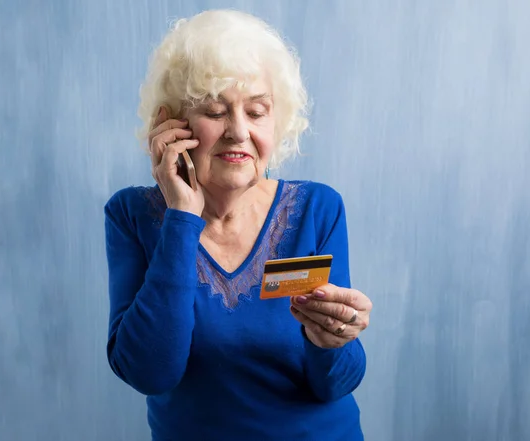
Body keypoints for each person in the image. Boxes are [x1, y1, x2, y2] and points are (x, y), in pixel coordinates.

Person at [104, 9, 373, 441]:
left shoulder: (316, 209)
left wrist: (334, 339)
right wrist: (181, 217)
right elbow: (150, 373)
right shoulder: (132, 216)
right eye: (215, 110)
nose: (238, 131)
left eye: (257, 111)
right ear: (170, 124)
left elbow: (336, 384)